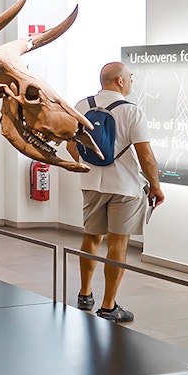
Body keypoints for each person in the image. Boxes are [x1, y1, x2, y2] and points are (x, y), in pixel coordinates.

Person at [68, 62, 165, 323]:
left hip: (91, 183)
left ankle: (84, 294)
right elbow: (146, 156)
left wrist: (89, 165)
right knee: (117, 244)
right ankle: (109, 307)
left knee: (91, 238)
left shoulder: (82, 106)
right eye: (130, 76)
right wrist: (155, 185)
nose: (132, 80)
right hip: (124, 186)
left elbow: (71, 146)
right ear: (120, 81)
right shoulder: (132, 112)